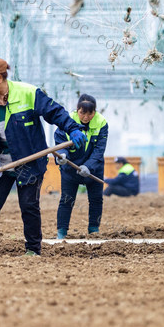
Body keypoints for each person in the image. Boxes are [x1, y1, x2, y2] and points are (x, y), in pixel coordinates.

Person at [0, 56, 85, 257]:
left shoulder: (29, 93)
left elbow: (54, 112)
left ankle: (32, 250)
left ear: (0, 78)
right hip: (0, 163)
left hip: (29, 160)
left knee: (29, 205)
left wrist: (72, 128)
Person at [53, 94, 108, 240]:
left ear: (94, 112)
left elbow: (99, 150)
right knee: (66, 199)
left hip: (93, 168)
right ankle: (62, 232)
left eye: (90, 113)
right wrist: (62, 156)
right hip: (70, 168)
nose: (86, 117)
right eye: (82, 112)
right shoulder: (67, 122)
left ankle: (94, 230)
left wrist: (88, 166)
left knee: (96, 199)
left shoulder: (101, 123)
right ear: (77, 110)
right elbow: (59, 141)